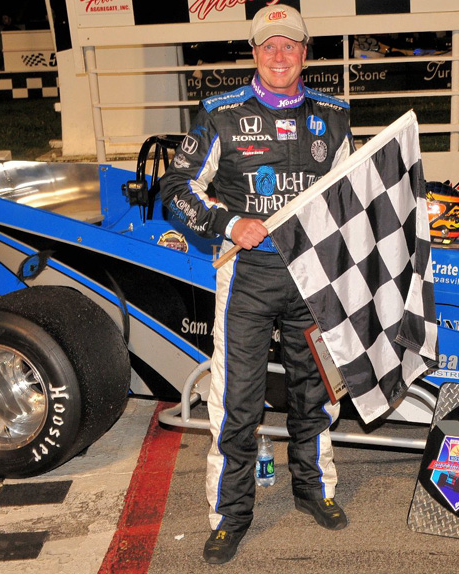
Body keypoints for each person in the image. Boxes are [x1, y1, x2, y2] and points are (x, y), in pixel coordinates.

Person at [159, 4, 354, 565]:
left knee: (315, 390)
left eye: (289, 45)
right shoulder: (220, 114)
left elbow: (352, 196)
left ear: (305, 53)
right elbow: (175, 188)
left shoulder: (335, 116)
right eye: (269, 45)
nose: (279, 55)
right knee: (236, 402)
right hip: (248, 276)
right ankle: (230, 515)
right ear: (254, 52)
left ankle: (315, 488)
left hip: (312, 276)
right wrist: (228, 223)